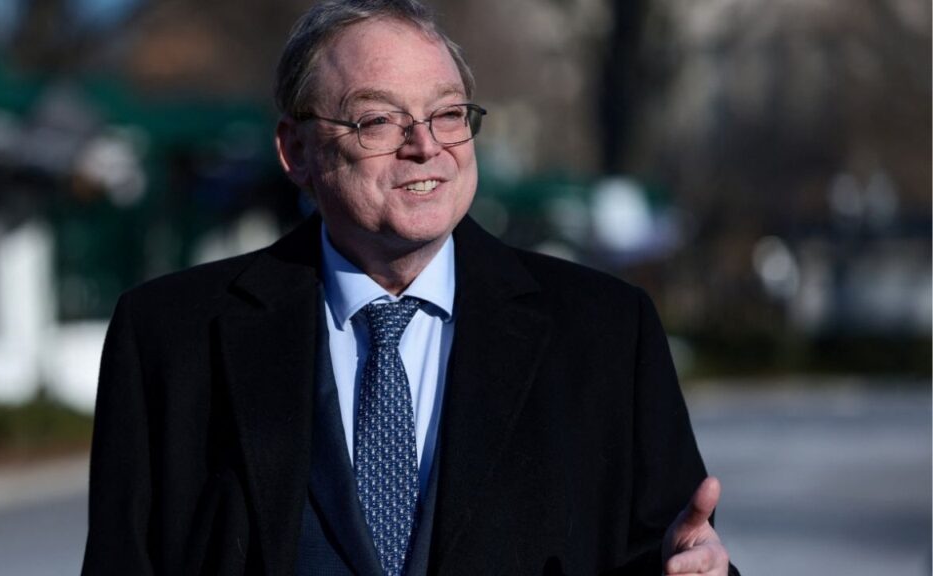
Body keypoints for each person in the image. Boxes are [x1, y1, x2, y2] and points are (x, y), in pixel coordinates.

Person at [82, 1, 737, 574]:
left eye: (448, 114)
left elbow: (679, 552)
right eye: (378, 121)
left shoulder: (606, 334)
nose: (426, 146)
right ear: (297, 150)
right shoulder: (171, 340)